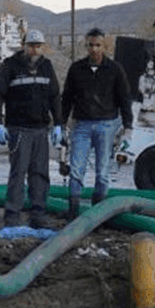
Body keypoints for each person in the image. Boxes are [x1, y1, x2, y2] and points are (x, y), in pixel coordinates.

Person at [61, 27, 133, 218]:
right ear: (86, 45)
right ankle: (73, 212)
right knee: (76, 170)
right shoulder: (76, 69)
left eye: (98, 45)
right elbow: (66, 98)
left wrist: (128, 127)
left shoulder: (115, 70)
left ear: (104, 46)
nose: (94, 49)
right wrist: (60, 125)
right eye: (91, 45)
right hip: (82, 125)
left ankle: (98, 214)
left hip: (106, 125)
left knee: (102, 172)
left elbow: (125, 98)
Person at [0, 31, 61, 229]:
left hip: (40, 129)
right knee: (18, 173)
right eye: (31, 45)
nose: (34, 50)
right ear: (23, 45)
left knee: (40, 173)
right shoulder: (10, 66)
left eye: (38, 46)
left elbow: (55, 96)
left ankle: (38, 214)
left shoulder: (46, 66)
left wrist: (58, 123)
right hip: (19, 129)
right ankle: (12, 215)